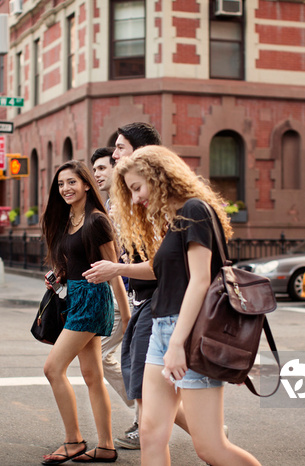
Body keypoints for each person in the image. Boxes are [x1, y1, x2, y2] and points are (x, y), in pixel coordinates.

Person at [111, 146, 259, 465]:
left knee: (210, 447)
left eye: (137, 188)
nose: (135, 199)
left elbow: (200, 281)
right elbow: (164, 272)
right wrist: (119, 268)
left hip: (189, 334)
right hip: (161, 328)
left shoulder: (195, 210)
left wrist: (177, 343)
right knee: (151, 433)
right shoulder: (173, 220)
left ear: (159, 177)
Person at [84, 122, 191, 451]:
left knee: (144, 378)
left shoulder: (171, 207)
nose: (114, 155)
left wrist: (117, 269)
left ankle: (194, 429)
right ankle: (192, 429)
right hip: (144, 300)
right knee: (146, 381)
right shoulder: (131, 201)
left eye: (119, 148)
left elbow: (169, 268)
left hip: (160, 305)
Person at [40, 160, 130, 464]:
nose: (65, 188)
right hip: (75, 297)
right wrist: (58, 274)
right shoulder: (68, 220)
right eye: (61, 184)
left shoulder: (96, 221)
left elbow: (113, 269)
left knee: (53, 368)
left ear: (87, 185)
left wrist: (127, 315)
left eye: (72, 183)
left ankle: (73, 440)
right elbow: (73, 261)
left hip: (93, 299)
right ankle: (105, 446)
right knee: (93, 375)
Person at [91, 147, 136, 411]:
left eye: (102, 168)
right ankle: (146, 411)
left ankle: (148, 415)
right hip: (118, 291)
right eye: (94, 169)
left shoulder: (130, 202)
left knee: (144, 364)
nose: (96, 174)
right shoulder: (108, 205)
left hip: (132, 293)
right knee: (99, 356)